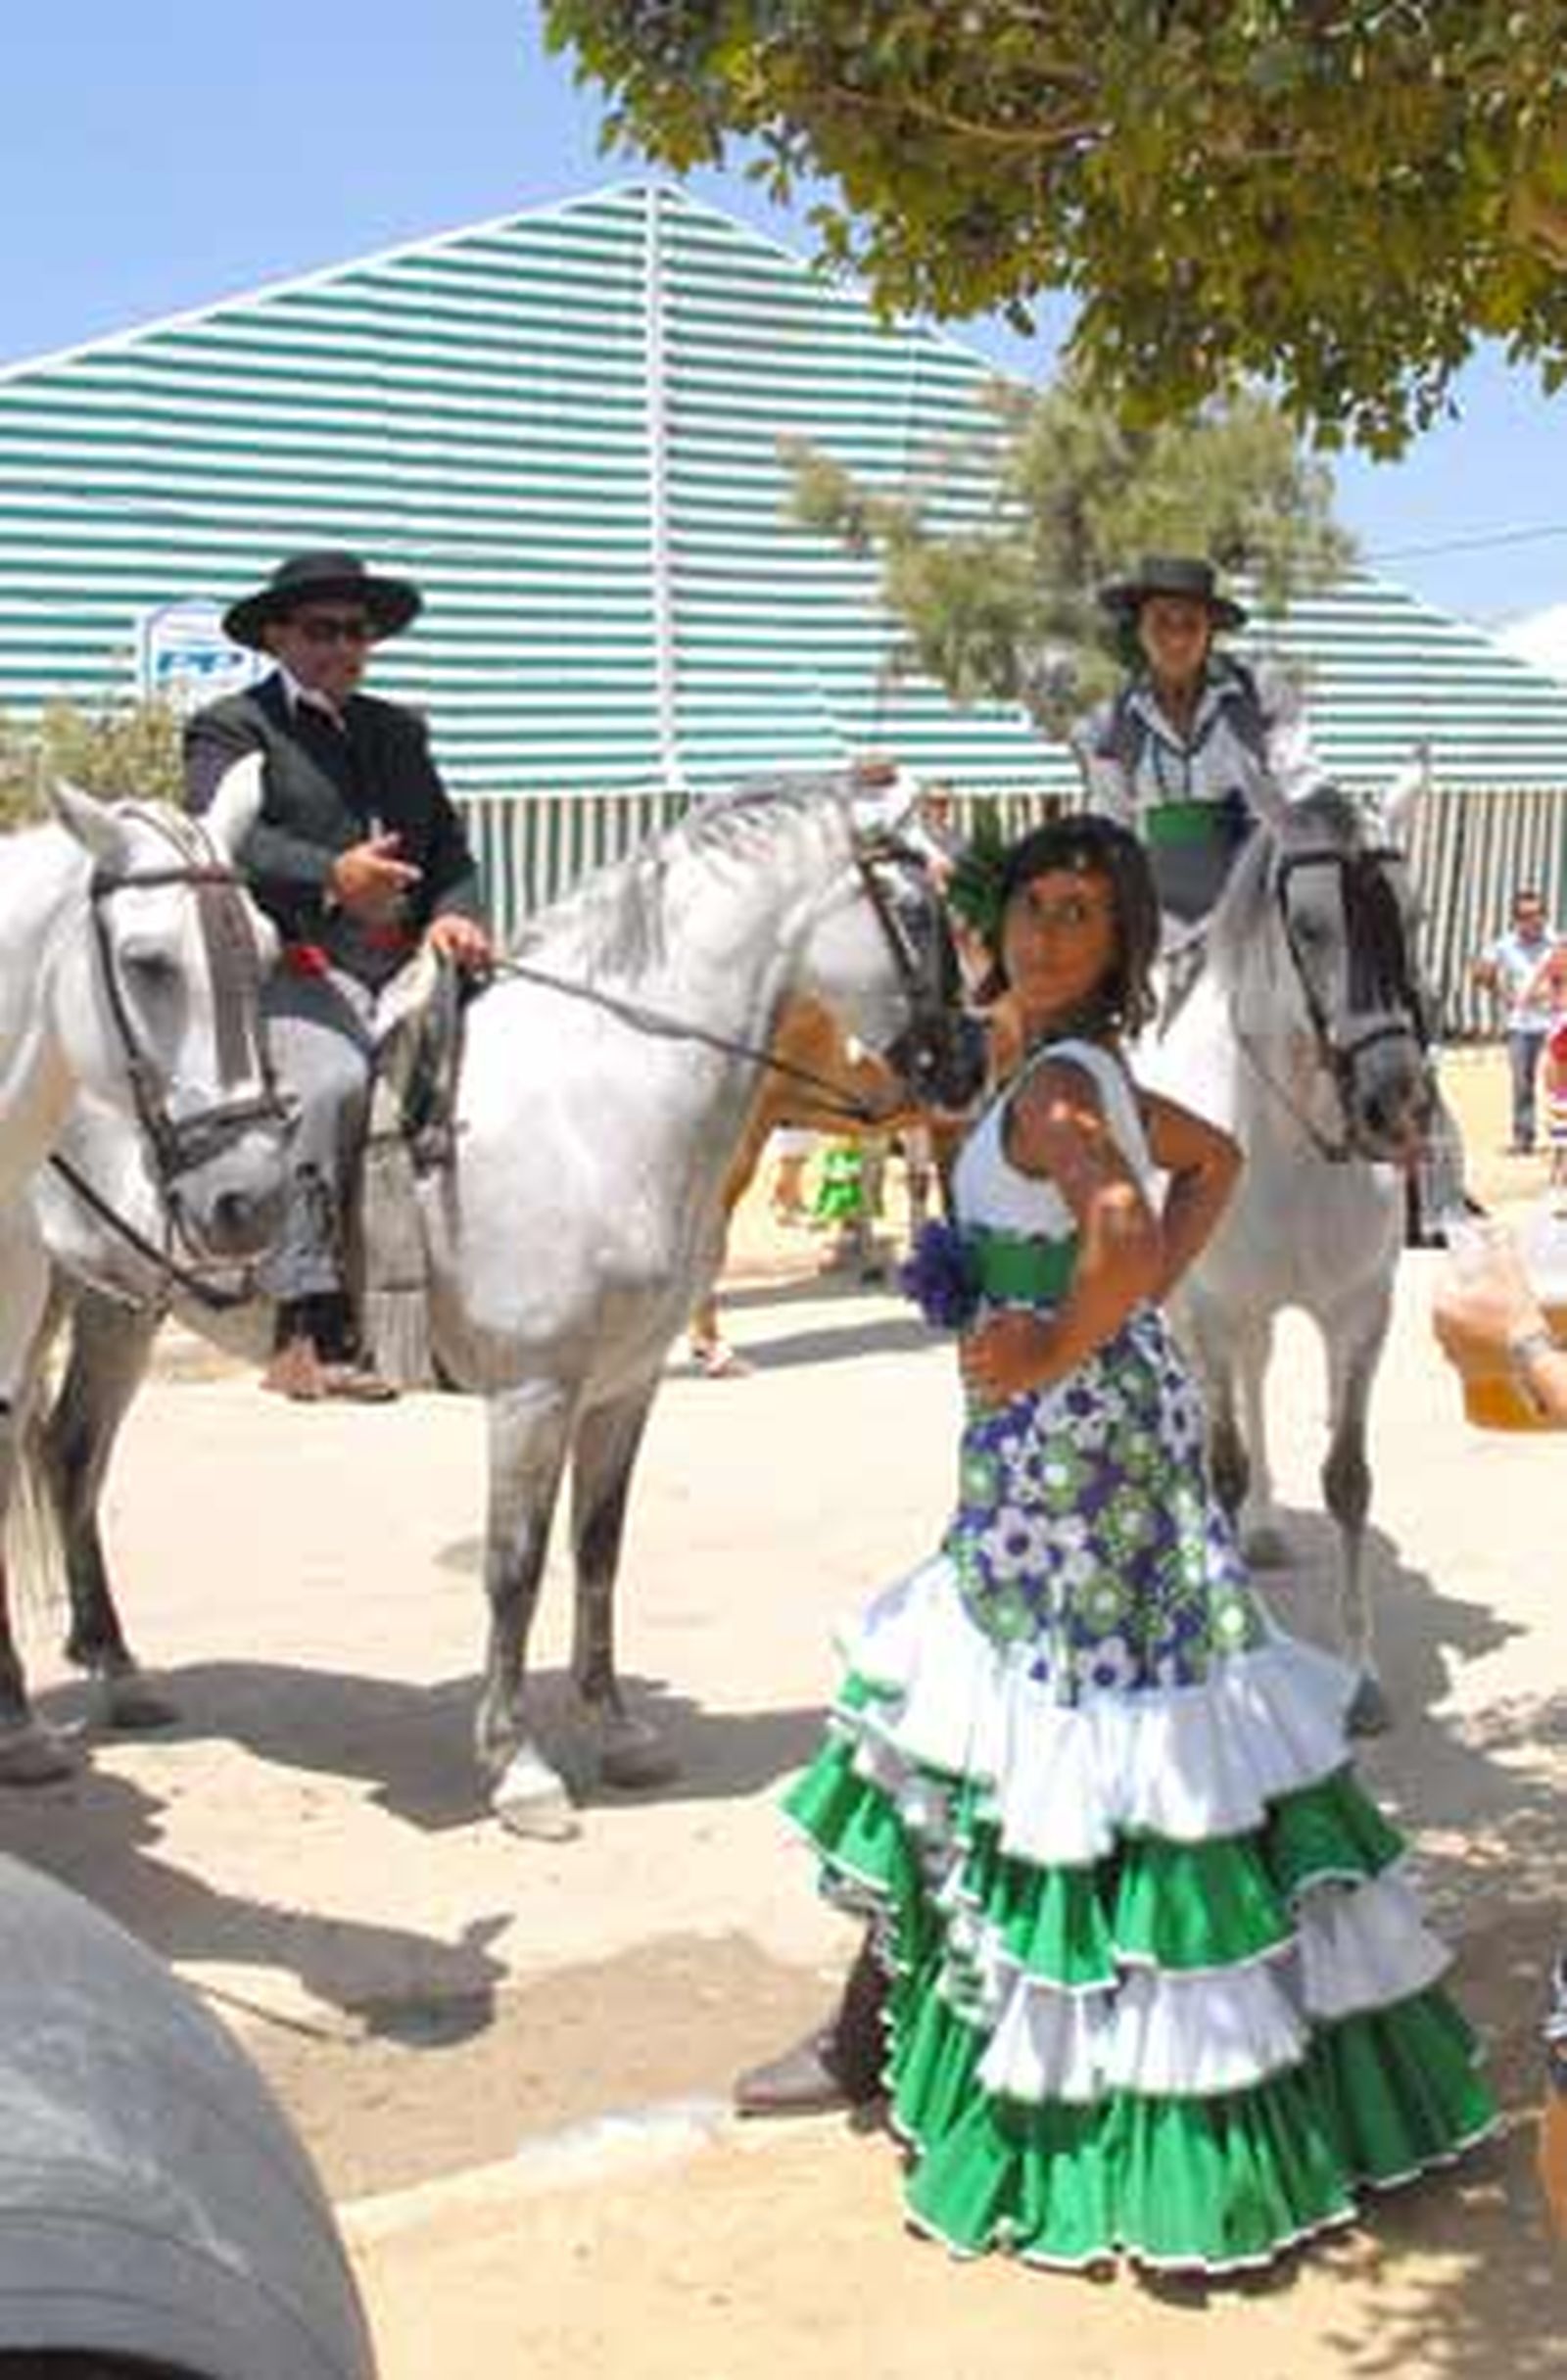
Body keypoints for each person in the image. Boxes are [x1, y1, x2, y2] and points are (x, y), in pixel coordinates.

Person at [736, 813, 1496, 2274]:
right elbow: (1202, 1171)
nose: (1043, 932)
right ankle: (884, 2024)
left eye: (1080, 914)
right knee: (1067, 1734)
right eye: (1031, 904)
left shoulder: (1067, 1091)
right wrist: (1110, 1328)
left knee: (1022, 1735)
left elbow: (1133, 1225)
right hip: (1089, 1444)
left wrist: (1054, 1345)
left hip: (1070, 1465)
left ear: (1119, 947)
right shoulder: (1078, 1073)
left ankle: (934, 2055)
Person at [184, 550, 493, 1401]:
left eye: (356, 633)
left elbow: (450, 850)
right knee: (331, 1084)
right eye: (321, 630)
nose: (342, 648)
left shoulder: (400, 730)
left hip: (408, 961)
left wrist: (454, 912)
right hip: (293, 962)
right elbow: (226, 842)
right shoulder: (231, 728)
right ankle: (305, 1321)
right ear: (278, 636)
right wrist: (332, 875)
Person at [1072, 553, 1332, 935]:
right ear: (1139, 628)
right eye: (1162, 622)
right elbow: (1113, 828)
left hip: (1257, 911)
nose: (1176, 638)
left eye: (1190, 624)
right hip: (1160, 921)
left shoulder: (1261, 697)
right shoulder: (1108, 726)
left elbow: (1303, 786)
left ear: (1210, 631)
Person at [1471, 884, 1561, 1154]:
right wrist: (1504, 995)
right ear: (1515, 919)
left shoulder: (1557, 942)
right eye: (1524, 915)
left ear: (1545, 915)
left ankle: (1562, 1139)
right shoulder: (1505, 945)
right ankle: (1524, 1137)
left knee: (1560, 1084)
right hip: (1521, 1025)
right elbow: (1479, 972)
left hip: (1554, 1024)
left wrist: (1556, 992)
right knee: (1522, 1083)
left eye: (1536, 914)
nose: (1532, 920)